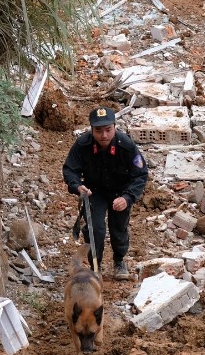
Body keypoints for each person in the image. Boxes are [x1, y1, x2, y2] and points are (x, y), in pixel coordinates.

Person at [62, 106, 148, 279]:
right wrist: (77, 186)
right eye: (98, 131)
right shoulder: (82, 144)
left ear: (115, 127)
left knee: (118, 228)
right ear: (91, 129)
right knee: (95, 229)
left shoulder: (127, 146)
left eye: (108, 130)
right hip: (95, 192)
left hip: (120, 192)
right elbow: (70, 169)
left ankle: (119, 261)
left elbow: (140, 175)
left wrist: (128, 197)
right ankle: (96, 265)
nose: (104, 135)